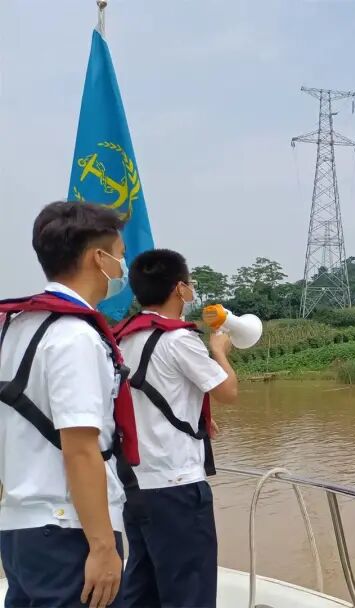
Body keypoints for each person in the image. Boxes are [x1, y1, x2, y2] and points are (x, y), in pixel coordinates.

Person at [0, 201, 141, 608]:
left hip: (20, 528)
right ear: (99, 259)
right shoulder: (75, 337)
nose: (123, 266)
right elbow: (80, 448)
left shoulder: (15, 327)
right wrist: (102, 547)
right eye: (120, 254)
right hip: (67, 529)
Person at [113, 248, 238, 608]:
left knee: (142, 588)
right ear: (180, 289)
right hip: (176, 486)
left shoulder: (122, 339)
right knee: (189, 592)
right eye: (189, 282)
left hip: (134, 485)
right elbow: (227, 392)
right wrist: (220, 351)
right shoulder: (179, 340)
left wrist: (198, 416)